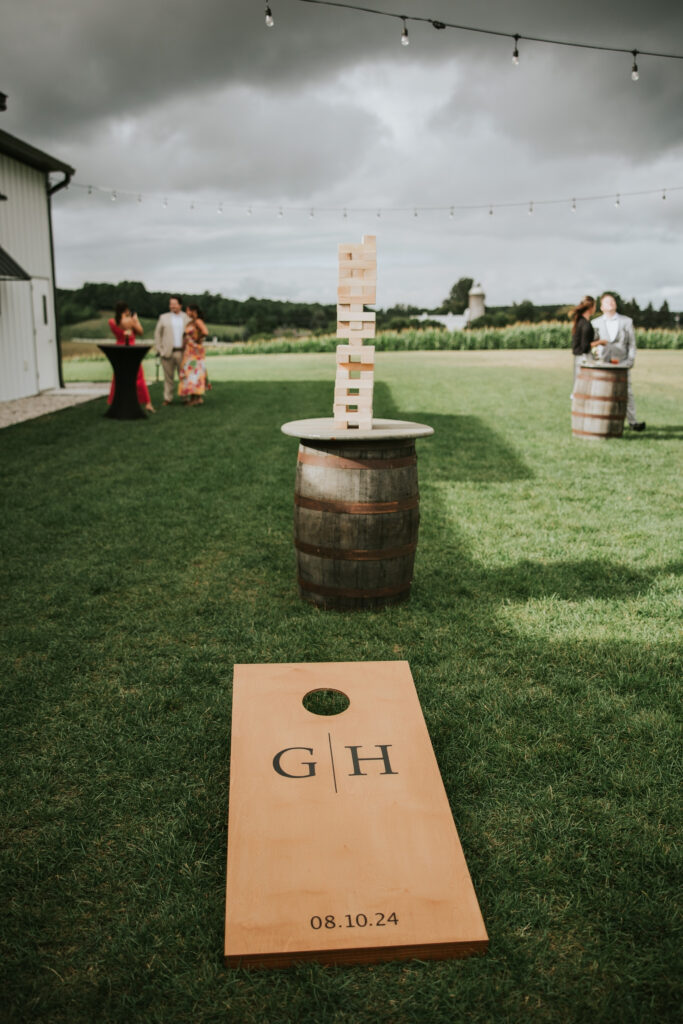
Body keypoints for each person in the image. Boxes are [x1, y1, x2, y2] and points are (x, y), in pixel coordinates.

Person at [591, 294, 645, 431]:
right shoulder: (595, 323)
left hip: (622, 363)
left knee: (627, 393)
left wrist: (630, 361)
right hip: (603, 363)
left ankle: (633, 422)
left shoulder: (627, 321)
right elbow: (592, 344)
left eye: (613, 301)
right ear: (602, 307)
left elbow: (632, 344)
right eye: (607, 302)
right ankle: (602, 421)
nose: (611, 304)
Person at [107, 302, 155, 413]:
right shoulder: (130, 321)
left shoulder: (112, 322)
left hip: (119, 350)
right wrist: (135, 319)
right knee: (138, 377)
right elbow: (140, 332)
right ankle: (147, 403)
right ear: (127, 310)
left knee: (119, 376)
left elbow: (120, 330)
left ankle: (117, 402)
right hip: (131, 350)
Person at [154, 295, 188, 406]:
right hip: (167, 352)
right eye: (170, 304)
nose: (172, 306)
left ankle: (185, 397)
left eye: (174, 304)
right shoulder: (163, 317)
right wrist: (160, 349)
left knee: (183, 376)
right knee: (168, 377)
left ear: (180, 305)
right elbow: (157, 335)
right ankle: (168, 398)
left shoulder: (186, 318)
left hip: (182, 352)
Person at [178, 304, 209, 406]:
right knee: (193, 374)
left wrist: (197, 339)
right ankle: (196, 398)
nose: (186, 313)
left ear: (193, 311)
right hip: (189, 351)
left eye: (187, 310)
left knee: (193, 374)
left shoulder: (198, 321)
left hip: (194, 353)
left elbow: (205, 332)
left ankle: (195, 398)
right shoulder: (191, 322)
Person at [570, 295, 596, 398]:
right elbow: (585, 346)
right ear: (591, 308)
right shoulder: (585, 324)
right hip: (583, 359)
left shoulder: (579, 321)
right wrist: (600, 342)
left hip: (578, 359)